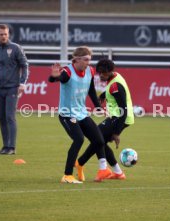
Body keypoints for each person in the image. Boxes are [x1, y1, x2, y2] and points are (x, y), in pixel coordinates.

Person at [48, 46, 112, 184]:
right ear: (76, 59)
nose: (88, 62)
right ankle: (67, 175)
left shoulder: (90, 71)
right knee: (79, 139)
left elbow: (91, 91)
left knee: (99, 141)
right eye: (86, 60)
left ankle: (85, 165)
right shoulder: (68, 71)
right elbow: (60, 78)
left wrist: (98, 108)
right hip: (67, 114)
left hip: (82, 113)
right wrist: (53, 77)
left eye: (90, 60)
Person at [76, 58, 135, 180]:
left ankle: (83, 163)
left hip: (119, 118)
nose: (100, 76)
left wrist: (116, 133)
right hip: (119, 117)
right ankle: (118, 172)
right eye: (99, 73)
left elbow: (123, 109)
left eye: (103, 73)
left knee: (96, 137)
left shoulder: (115, 86)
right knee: (100, 142)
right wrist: (104, 95)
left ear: (109, 71)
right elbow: (114, 93)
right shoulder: (115, 77)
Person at [0, 23, 29, 155]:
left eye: (6, 34)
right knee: (1, 117)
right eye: (1, 34)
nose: (4, 36)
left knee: (10, 116)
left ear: (8, 34)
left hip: (12, 88)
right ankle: (5, 146)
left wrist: (22, 83)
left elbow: (25, 66)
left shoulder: (16, 48)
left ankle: (12, 147)